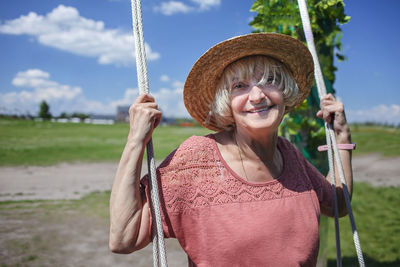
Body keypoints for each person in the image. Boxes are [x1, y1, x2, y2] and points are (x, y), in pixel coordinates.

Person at [109, 33, 353, 266]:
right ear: (226, 102)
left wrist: (342, 138)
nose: (257, 95)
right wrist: (135, 141)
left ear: (284, 91)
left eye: (270, 81)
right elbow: (123, 237)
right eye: (240, 85)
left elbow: (338, 203)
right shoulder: (197, 160)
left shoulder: (290, 155)